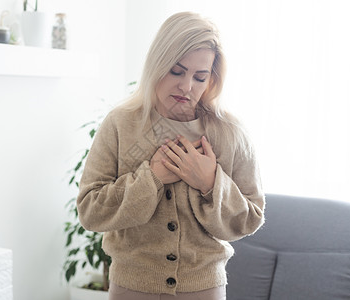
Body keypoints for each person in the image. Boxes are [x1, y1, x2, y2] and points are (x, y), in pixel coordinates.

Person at [77, 11, 265, 300]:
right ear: (157, 64)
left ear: (212, 79)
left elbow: (250, 218)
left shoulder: (231, 133)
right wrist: (151, 179)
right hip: (131, 288)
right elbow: (90, 211)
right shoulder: (120, 124)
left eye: (200, 77)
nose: (187, 87)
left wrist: (210, 183)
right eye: (176, 71)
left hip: (204, 290)